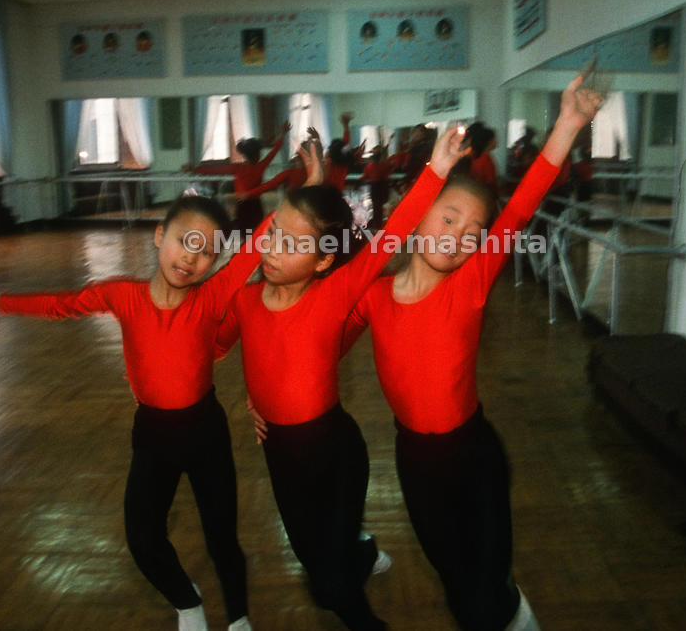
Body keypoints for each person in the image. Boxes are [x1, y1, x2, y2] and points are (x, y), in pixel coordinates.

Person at [0, 190, 287, 631]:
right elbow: (59, 305)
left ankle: (239, 619)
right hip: (153, 435)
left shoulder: (213, 294)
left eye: (207, 252)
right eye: (185, 241)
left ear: (216, 261)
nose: (192, 258)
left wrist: (306, 186)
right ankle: (188, 602)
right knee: (143, 538)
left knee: (221, 537)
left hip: (205, 432)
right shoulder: (123, 295)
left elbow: (259, 242)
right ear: (159, 235)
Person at [341, 74, 601, 631]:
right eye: (448, 218)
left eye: (472, 232)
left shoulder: (471, 284)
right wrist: (270, 401)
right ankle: (504, 606)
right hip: (416, 463)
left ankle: (512, 611)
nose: (459, 236)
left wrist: (568, 124)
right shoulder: (374, 297)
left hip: (475, 455)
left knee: (484, 588)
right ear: (418, 217)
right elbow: (321, 347)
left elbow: (522, 206)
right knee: (458, 585)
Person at [219, 129, 469, 630]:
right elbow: (214, 346)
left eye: (291, 244)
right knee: (314, 561)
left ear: (324, 260)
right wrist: (256, 393)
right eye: (272, 234)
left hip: (336, 454)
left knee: (330, 587)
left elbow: (393, 235)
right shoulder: (244, 301)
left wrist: (438, 168)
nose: (272, 248)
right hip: (279, 455)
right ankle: (362, 553)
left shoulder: (332, 296)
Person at [194, 122, 290, 237]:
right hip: (254, 205)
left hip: (245, 205)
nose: (260, 155)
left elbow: (215, 170)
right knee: (254, 232)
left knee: (246, 232)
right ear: (256, 155)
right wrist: (283, 134)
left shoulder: (238, 168)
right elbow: (275, 150)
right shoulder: (260, 166)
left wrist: (194, 169)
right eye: (259, 153)